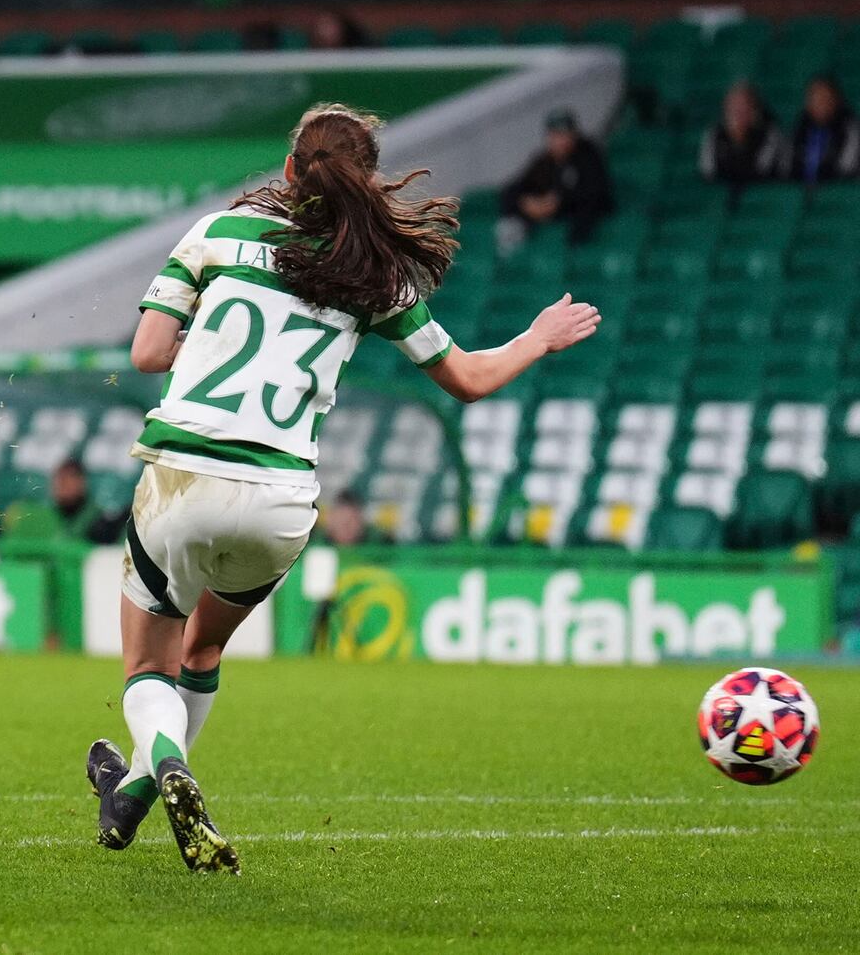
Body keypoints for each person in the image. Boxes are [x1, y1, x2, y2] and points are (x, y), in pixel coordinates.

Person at [84, 102, 599, 873]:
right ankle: (130, 792)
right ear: (368, 182)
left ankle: (165, 762)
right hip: (280, 501)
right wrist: (534, 338)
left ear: (290, 171)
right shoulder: (376, 274)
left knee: (147, 670)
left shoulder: (220, 235)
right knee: (205, 647)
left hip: (184, 476)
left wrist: (207, 339)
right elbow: (465, 379)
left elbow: (150, 350)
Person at [496, 109, 614, 251]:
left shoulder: (589, 155)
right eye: (556, 135)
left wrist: (559, 200)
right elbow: (513, 189)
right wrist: (527, 202)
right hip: (551, 216)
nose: (561, 140)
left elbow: (596, 193)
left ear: (574, 135)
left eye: (565, 134)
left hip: (580, 222)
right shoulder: (544, 160)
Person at [699, 82, 787, 190]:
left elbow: (762, 172)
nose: (738, 113)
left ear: (755, 110)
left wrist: (741, 138)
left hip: (763, 196)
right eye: (734, 107)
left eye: (744, 106)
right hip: (722, 195)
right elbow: (708, 173)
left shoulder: (770, 133)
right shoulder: (714, 134)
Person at [786, 75, 860, 184]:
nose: (821, 103)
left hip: (837, 192)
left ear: (836, 100)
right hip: (801, 193)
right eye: (815, 98)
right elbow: (787, 166)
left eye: (825, 98)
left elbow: (846, 169)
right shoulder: (800, 127)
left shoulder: (850, 128)